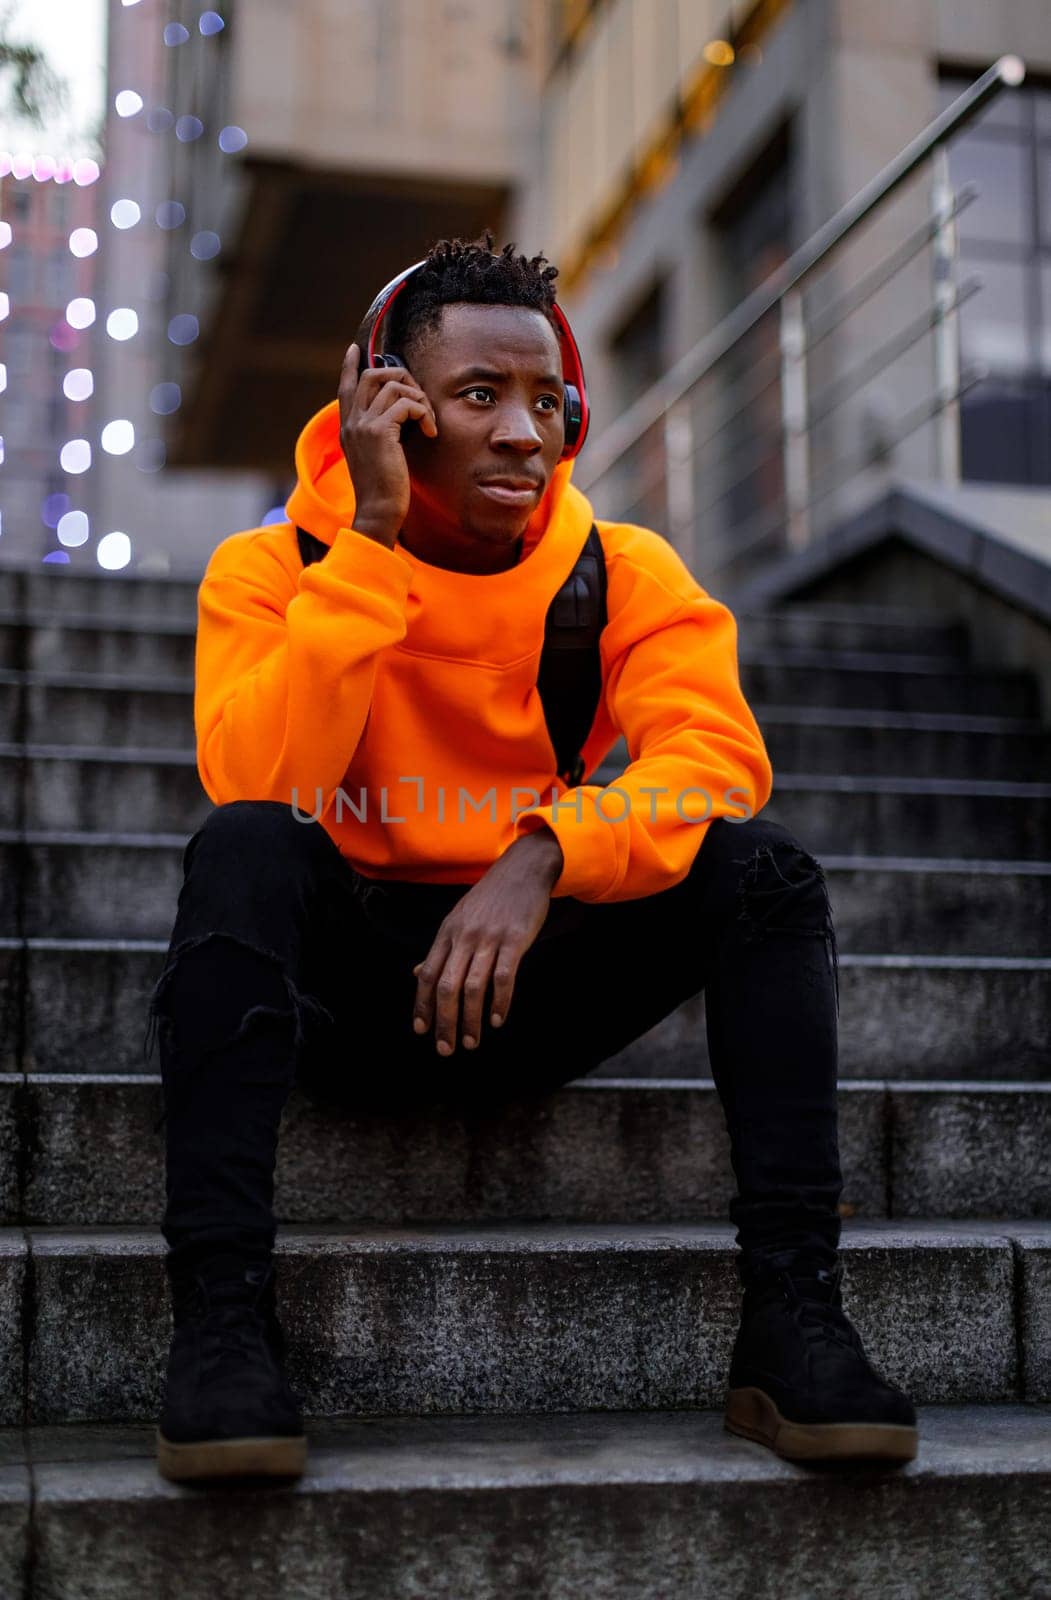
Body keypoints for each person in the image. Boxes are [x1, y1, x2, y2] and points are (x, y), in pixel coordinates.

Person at [143, 233, 917, 1485]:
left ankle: (790, 1320)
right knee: (240, 850)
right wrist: (374, 541)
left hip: (527, 979)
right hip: (345, 991)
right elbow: (267, 784)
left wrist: (547, 849)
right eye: (478, 397)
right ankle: (221, 1326)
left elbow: (715, 759)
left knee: (764, 871)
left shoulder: (619, 571)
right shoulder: (275, 569)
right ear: (388, 411)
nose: (524, 432)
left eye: (546, 401)